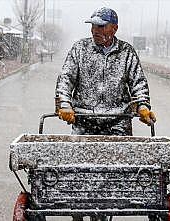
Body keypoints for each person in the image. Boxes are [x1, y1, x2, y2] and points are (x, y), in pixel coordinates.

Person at [55, 7, 156, 138]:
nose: (94, 31)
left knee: (120, 157)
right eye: (93, 26)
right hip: (84, 120)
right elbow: (65, 79)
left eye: (101, 26)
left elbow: (138, 83)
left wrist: (143, 106)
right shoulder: (80, 49)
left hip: (118, 121)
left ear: (114, 28)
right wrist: (64, 104)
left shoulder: (126, 52)